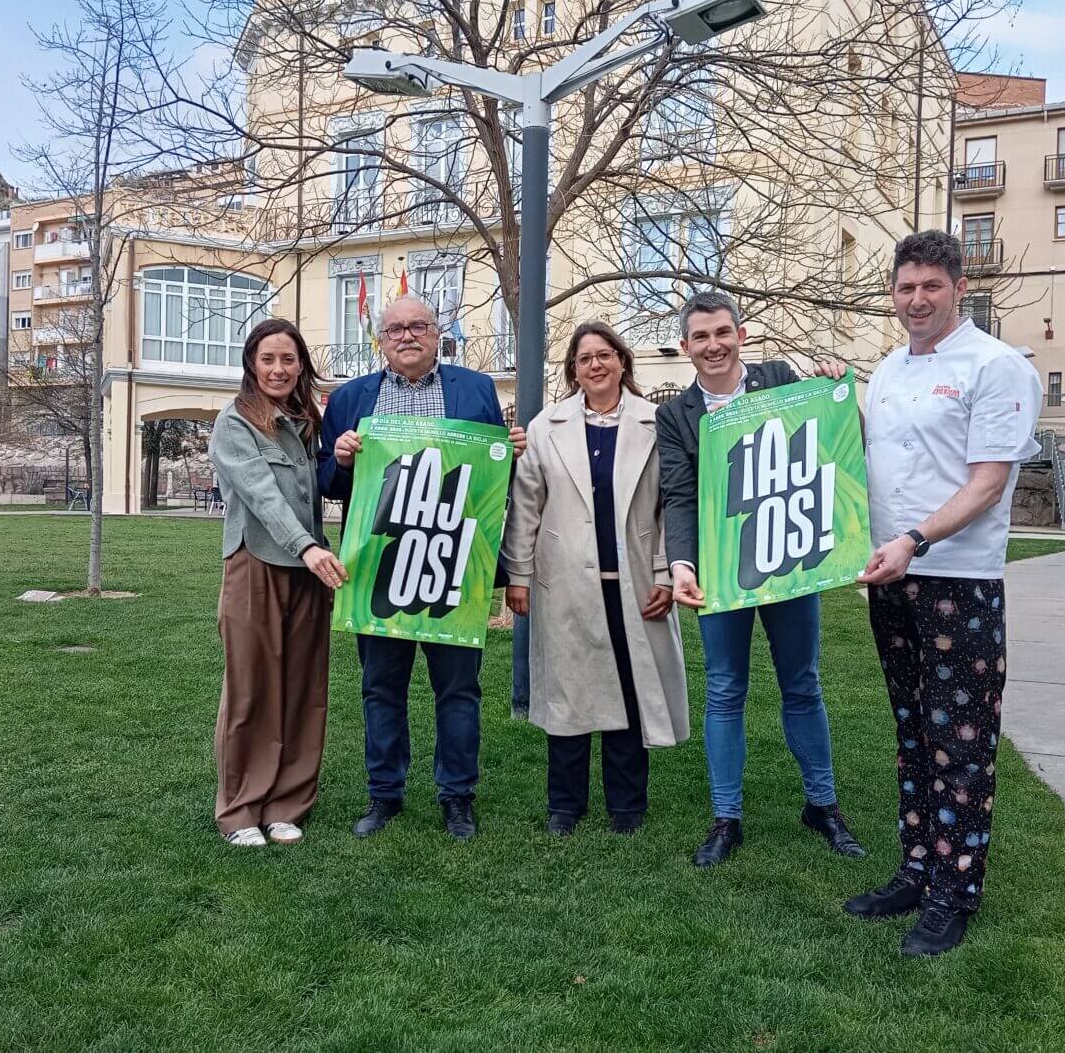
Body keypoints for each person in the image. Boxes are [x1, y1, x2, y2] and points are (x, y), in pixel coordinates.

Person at [846, 230, 1041, 957]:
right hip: (893, 579)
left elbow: (987, 484)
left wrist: (916, 541)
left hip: (956, 580)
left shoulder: (998, 367)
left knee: (960, 742)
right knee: (912, 733)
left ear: (959, 287)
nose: (917, 299)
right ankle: (918, 868)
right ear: (892, 295)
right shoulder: (889, 368)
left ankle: (954, 893)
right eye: (905, 287)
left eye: (931, 286)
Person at [656, 290, 865, 868]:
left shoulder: (778, 377)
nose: (713, 345)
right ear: (686, 347)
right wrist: (682, 565)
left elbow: (834, 441)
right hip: (724, 572)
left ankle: (822, 805)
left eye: (722, 332)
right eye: (700, 337)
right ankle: (726, 818)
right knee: (725, 690)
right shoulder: (676, 415)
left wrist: (833, 385)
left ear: (740, 335)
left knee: (802, 683)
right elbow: (679, 496)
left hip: (790, 558)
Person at [318, 294, 526, 841]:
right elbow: (329, 484)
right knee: (380, 687)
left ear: (439, 334)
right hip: (378, 566)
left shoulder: (476, 390)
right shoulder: (349, 399)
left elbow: (491, 477)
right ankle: (384, 796)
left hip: (454, 564)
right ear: (380, 340)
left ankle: (457, 797)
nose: (406, 336)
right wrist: (338, 460)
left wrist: (511, 451)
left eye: (418, 326)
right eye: (394, 329)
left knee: (458, 690)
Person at [502, 321, 690, 836]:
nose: (596, 366)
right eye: (585, 359)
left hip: (636, 582)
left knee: (629, 693)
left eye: (605, 355)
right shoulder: (546, 427)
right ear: (573, 370)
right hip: (564, 582)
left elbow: (675, 504)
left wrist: (667, 574)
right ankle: (565, 805)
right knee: (569, 696)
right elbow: (525, 507)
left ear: (623, 362)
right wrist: (517, 574)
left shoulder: (658, 422)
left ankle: (626, 806)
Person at [208, 318, 349, 847]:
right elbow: (262, 495)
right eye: (268, 359)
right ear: (251, 363)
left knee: (303, 691)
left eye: (288, 359)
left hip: (309, 571)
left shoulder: (306, 421)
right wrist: (309, 547)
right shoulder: (234, 422)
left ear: (300, 366)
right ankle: (242, 809)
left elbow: (321, 490)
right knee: (251, 691)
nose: (278, 369)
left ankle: (287, 803)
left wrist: (344, 456)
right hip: (258, 565)